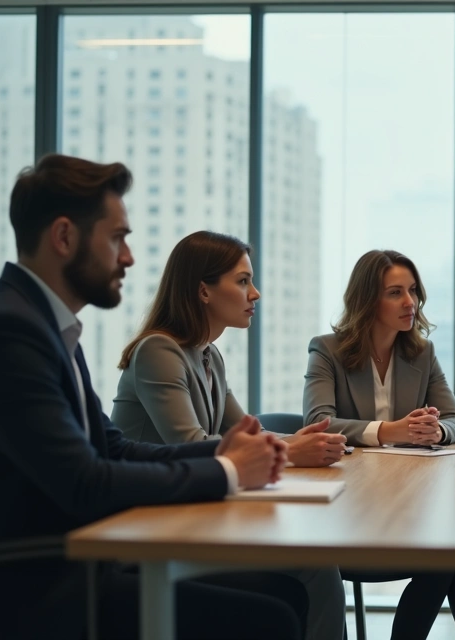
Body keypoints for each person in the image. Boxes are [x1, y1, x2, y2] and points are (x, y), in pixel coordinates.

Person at [0, 154, 304, 640]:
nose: (127, 257)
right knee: (271, 618)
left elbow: (114, 449)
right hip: (33, 593)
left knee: (285, 595)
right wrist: (229, 471)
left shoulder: (43, 325)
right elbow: (85, 484)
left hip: (71, 567)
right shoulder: (9, 333)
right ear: (64, 237)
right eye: (117, 237)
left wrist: (222, 451)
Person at [111, 230, 348, 639]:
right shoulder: (158, 351)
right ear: (203, 291)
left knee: (315, 564)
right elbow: (189, 445)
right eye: (242, 281)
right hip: (153, 530)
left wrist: (298, 442)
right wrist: (292, 451)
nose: (254, 293)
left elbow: (243, 431)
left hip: (197, 514)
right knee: (315, 565)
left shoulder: (208, 355)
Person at [304, 249, 455, 640]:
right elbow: (316, 423)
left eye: (412, 291)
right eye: (395, 293)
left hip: (409, 503)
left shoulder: (421, 352)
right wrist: (391, 431)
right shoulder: (328, 350)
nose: (410, 302)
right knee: (454, 556)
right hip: (347, 508)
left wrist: (435, 433)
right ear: (367, 300)